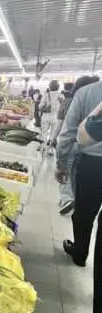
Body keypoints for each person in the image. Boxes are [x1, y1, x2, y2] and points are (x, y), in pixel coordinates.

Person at [60, 96, 102, 313]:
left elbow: (82, 134)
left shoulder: (91, 93)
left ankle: (80, 250)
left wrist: (61, 161)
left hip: (94, 164)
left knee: (84, 212)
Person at [55, 77, 100, 214]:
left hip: (88, 158)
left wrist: (60, 163)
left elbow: (68, 131)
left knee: (84, 214)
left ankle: (68, 198)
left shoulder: (84, 93)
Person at [39, 80, 63, 153]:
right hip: (55, 117)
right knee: (53, 134)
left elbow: (40, 106)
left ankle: (43, 147)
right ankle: (50, 149)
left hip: (46, 116)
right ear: (58, 87)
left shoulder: (46, 95)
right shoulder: (61, 95)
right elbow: (62, 107)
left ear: (50, 87)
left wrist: (45, 106)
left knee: (44, 132)